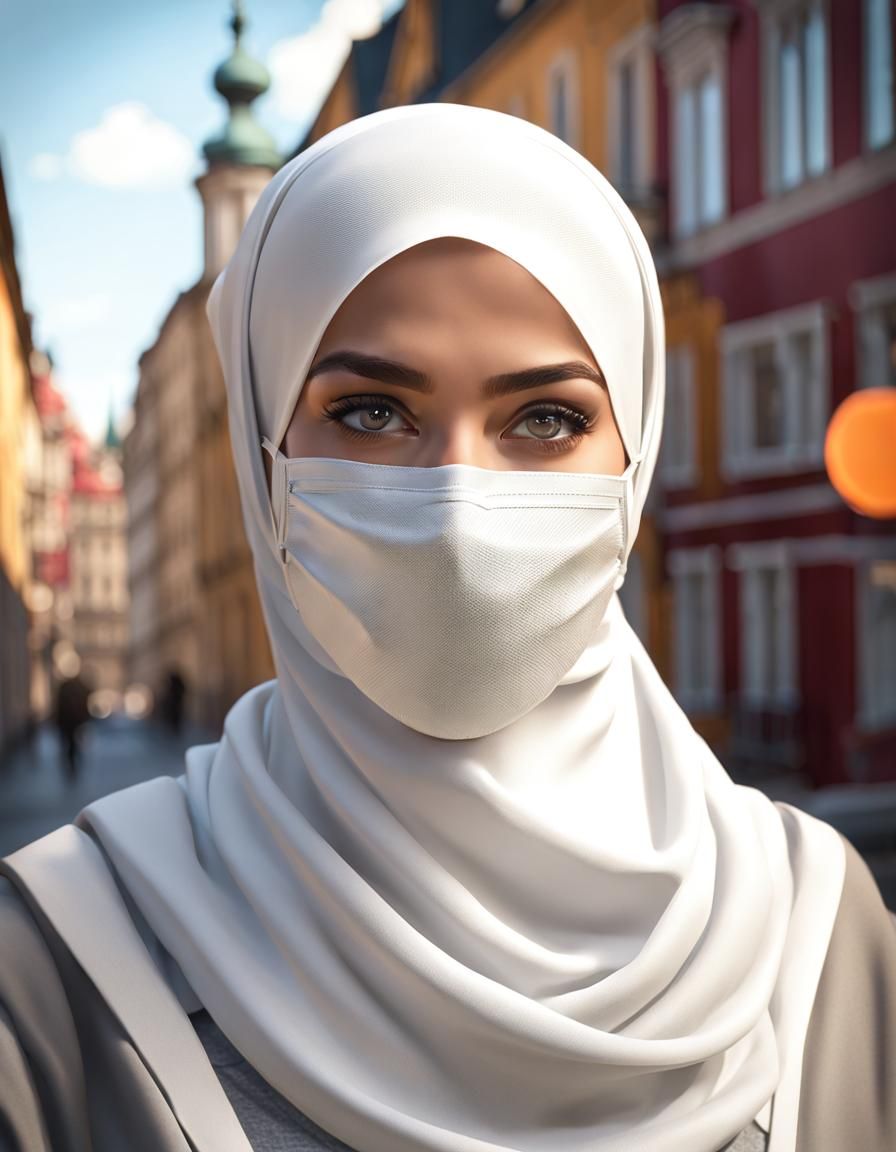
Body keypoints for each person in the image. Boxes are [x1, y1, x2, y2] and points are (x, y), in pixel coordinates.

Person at [1, 103, 894, 1152]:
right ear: (263, 456)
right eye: (371, 413)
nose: (458, 509)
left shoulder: (820, 929)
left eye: (546, 418)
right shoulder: (58, 967)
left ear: (635, 453)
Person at [53, 670, 91, 780]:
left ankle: (70, 763)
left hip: (67, 721)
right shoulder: (78, 687)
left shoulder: (64, 687)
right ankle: (73, 763)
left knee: (69, 744)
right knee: (73, 743)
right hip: (74, 721)